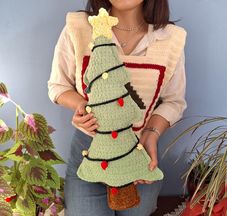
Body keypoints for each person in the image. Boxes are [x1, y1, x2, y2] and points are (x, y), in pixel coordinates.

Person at [48, 0, 187, 215]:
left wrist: (151, 134)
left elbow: (174, 101)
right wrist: (82, 106)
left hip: (139, 151)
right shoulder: (78, 28)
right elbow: (58, 86)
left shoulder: (170, 38)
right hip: (89, 150)